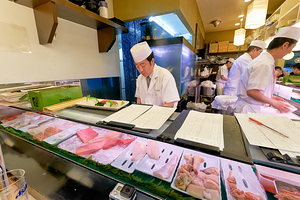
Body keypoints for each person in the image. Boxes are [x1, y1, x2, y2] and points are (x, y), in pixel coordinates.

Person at [233, 26, 300, 114]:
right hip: (250, 110)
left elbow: (255, 89)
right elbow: (252, 91)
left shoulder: (266, 61)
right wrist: (274, 102)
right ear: (285, 45)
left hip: (251, 107)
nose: (289, 52)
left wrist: (270, 98)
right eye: (291, 48)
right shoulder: (264, 63)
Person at [130, 41, 180, 108]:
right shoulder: (140, 78)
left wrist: (153, 115)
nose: (140, 70)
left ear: (152, 61)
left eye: (143, 65)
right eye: (137, 66)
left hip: (163, 116)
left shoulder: (165, 76)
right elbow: (139, 99)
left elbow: (170, 104)